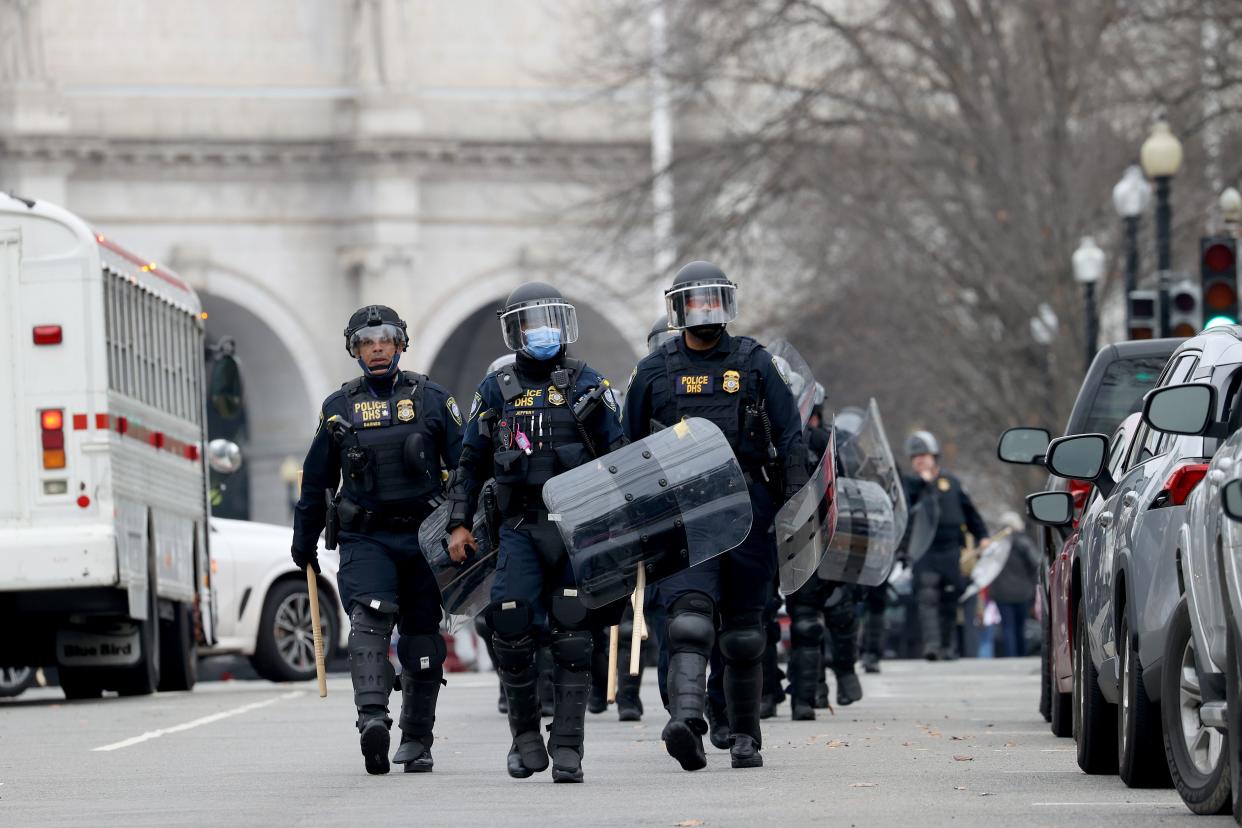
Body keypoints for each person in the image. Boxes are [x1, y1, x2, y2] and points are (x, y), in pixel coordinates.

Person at [624, 261, 807, 771]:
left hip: (749, 506)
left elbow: (791, 436)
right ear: (678, 309)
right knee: (688, 620)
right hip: (683, 511)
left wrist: (792, 503)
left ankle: (746, 736)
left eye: (713, 301)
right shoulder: (653, 371)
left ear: (726, 304)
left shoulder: (754, 362)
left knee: (745, 630)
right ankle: (687, 721)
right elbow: (625, 448)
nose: (705, 311)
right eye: (695, 302)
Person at [444, 282, 625, 784]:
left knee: (572, 632)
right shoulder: (495, 389)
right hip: (521, 525)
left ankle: (568, 747)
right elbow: (469, 461)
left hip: (578, 529)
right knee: (509, 620)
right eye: (531, 322)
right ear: (515, 331)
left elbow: (621, 455)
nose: (542, 331)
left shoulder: (590, 384)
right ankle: (525, 739)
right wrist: (458, 522)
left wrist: (625, 525)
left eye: (551, 320)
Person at [290, 305, 463, 775]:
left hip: (425, 537)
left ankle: (417, 739)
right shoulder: (337, 407)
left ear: (401, 343)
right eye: (366, 342)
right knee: (369, 622)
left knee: (422, 640)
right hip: (367, 536)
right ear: (355, 350)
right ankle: (372, 720)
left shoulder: (432, 398)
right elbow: (315, 480)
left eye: (385, 339)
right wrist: (303, 539)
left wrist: (464, 523)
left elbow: (467, 467)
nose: (377, 348)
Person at [902, 431, 989, 661]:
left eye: (924, 455)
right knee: (928, 596)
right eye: (915, 456)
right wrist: (924, 484)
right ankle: (932, 646)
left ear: (934, 456)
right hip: (924, 550)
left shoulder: (952, 483)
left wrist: (982, 535)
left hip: (951, 550)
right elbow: (904, 512)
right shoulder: (910, 485)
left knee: (951, 597)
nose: (920, 460)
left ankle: (947, 646)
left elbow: (970, 512)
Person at [988, 511, 1039, 658]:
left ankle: (1011, 656)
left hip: (1000, 592)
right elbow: (1035, 563)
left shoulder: (996, 544)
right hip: (1022, 592)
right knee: (1020, 625)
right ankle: (1021, 654)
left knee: (1007, 626)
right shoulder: (1023, 542)